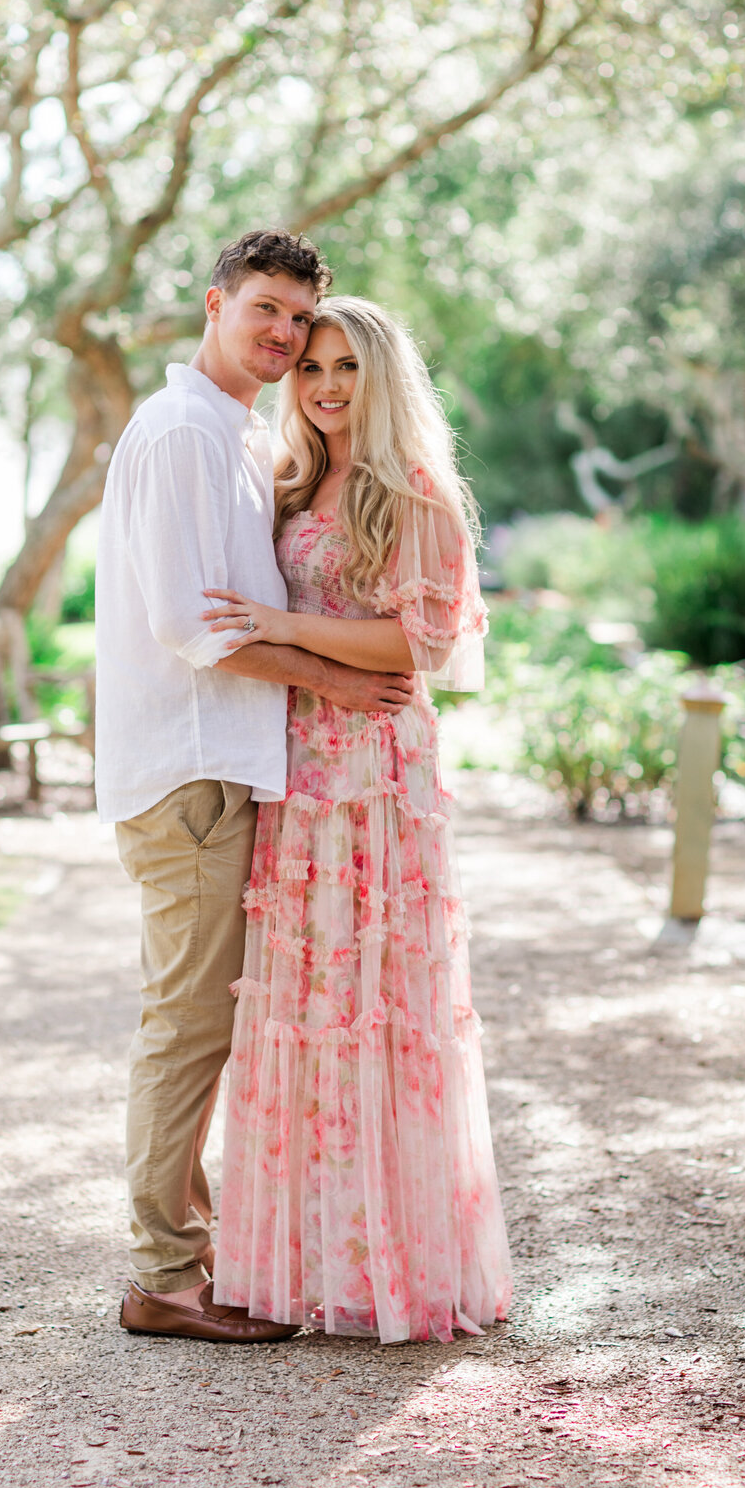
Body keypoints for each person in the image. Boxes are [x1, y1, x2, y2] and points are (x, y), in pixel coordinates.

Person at [97, 231, 416, 1345]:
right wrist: (332, 676)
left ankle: (193, 1251)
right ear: (215, 304)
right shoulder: (184, 432)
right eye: (266, 312)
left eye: (299, 320)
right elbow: (195, 629)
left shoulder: (232, 436)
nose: (284, 338)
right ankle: (162, 1278)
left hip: (225, 773)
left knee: (207, 1027)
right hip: (189, 773)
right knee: (186, 1029)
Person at [203, 295, 512, 1344]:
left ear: (383, 378)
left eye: (346, 367)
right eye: (313, 369)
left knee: (376, 1001)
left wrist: (286, 625)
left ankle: (396, 1262)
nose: (327, 386)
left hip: (376, 767)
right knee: (306, 997)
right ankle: (303, 1259)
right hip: (300, 761)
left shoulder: (414, 490)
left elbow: (422, 645)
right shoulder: (293, 482)